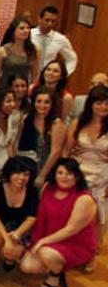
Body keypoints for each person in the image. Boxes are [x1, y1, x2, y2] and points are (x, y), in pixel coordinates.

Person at [21, 158, 98, 287]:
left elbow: (71, 230)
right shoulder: (47, 188)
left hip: (74, 243)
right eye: (60, 173)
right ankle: (56, 264)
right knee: (27, 267)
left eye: (69, 173)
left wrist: (42, 242)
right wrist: (36, 239)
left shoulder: (84, 198)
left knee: (46, 253)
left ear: (77, 176)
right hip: (50, 238)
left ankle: (55, 277)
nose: (64, 177)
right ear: (54, 174)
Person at [64, 85, 108, 263]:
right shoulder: (79, 122)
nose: (103, 107)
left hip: (102, 176)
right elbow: (66, 151)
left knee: (96, 216)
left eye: (107, 103)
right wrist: (64, 173)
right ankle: (72, 248)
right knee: (73, 214)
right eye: (99, 103)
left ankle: (91, 252)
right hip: (77, 174)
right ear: (91, 104)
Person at [0, 157, 38, 272]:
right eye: (17, 173)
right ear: (9, 173)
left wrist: (16, 234)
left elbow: (31, 218)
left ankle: (10, 259)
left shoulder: (33, 192)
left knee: (12, 253)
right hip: (0, 228)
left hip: (22, 230)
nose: (21, 178)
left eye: (26, 174)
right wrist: (7, 240)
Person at [17, 87, 66, 185]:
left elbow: (55, 152)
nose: (42, 105)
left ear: (52, 104)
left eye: (46, 102)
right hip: (24, 168)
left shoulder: (56, 123)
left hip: (45, 169)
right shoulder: (26, 118)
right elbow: (17, 142)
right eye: (39, 101)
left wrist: (42, 175)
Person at [0, 15, 40, 87]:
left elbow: (36, 74)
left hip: (24, 89)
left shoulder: (35, 50)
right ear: (13, 31)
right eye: (22, 28)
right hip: (5, 88)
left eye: (28, 28)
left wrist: (32, 88)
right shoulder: (2, 51)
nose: (26, 31)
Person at [32, 5, 76, 75]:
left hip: (47, 77)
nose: (50, 24)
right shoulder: (29, 34)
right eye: (47, 20)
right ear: (39, 19)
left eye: (53, 21)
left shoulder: (60, 39)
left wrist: (63, 75)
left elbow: (72, 59)